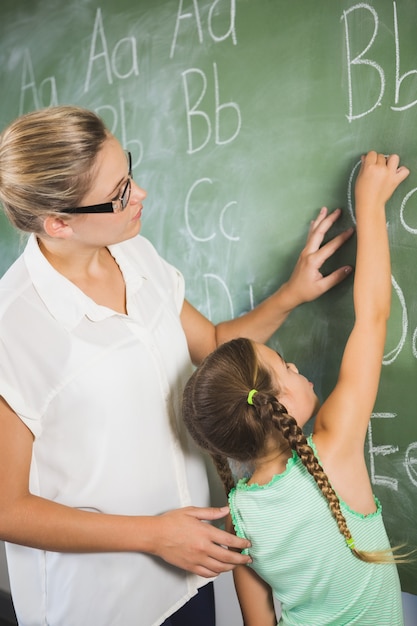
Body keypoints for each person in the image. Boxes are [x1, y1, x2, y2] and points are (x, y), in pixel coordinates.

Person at [0, 105, 354, 626]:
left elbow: (210, 342)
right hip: (102, 604)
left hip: (189, 576)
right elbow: (7, 507)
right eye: (119, 193)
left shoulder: (134, 253)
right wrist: (154, 534)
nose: (139, 195)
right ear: (58, 223)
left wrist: (292, 294)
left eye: (130, 173)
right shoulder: (14, 327)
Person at [182, 152, 410, 626]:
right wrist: (370, 207)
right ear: (278, 402)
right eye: (285, 366)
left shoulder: (239, 515)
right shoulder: (334, 448)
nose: (297, 365)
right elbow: (372, 319)